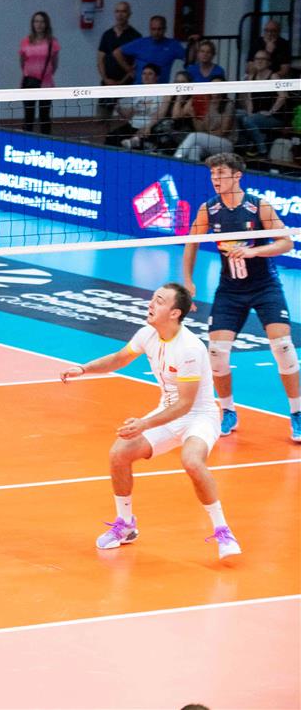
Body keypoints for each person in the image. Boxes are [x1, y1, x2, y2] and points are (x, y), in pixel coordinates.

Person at [60, 283, 243, 560]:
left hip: (199, 417)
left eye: (159, 300)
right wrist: (84, 368)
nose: (151, 303)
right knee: (119, 454)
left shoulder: (189, 349)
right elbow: (119, 359)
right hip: (168, 412)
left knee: (192, 461)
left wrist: (145, 424)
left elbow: (185, 404)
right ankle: (125, 526)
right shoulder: (147, 334)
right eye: (153, 298)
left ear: (174, 313)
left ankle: (223, 531)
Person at [182, 152, 301, 442]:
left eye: (221, 174)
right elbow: (190, 242)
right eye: (212, 174)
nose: (215, 179)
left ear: (237, 176)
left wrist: (253, 251)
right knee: (217, 353)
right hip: (230, 289)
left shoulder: (259, 206)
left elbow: (286, 242)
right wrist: (187, 280)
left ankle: (297, 413)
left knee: (283, 347)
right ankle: (228, 410)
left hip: (265, 286)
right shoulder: (208, 209)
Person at [108, 64, 171, 149]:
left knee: (138, 142)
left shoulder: (164, 93)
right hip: (133, 126)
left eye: (150, 74)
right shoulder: (139, 92)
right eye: (144, 73)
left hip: (150, 126)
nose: (146, 76)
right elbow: (128, 115)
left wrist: (149, 126)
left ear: (157, 77)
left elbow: (161, 113)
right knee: (111, 137)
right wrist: (118, 107)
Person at [96, 1, 142, 119]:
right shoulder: (107, 35)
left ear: (129, 14)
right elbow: (100, 60)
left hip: (126, 86)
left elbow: (136, 64)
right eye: (117, 11)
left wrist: (121, 82)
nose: (120, 15)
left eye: (123, 11)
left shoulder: (135, 36)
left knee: (126, 120)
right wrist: (106, 79)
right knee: (102, 119)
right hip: (107, 86)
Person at [174, 75, 235, 162]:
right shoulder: (207, 103)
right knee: (195, 149)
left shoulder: (228, 104)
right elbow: (201, 129)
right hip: (210, 141)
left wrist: (206, 135)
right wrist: (194, 116)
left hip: (226, 143)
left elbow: (223, 131)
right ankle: (194, 169)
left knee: (194, 136)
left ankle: (175, 160)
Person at [114, 15, 188, 84]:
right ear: (150, 29)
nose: (156, 32)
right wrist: (129, 70)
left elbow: (188, 59)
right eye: (153, 29)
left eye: (159, 29)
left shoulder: (173, 45)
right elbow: (117, 52)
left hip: (161, 89)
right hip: (140, 88)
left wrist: (193, 44)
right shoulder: (141, 43)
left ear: (165, 29)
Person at [239, 51, 287, 155]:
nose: (259, 61)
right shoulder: (251, 77)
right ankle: (243, 147)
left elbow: (283, 96)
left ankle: (262, 149)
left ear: (269, 62)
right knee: (237, 115)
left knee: (248, 120)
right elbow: (249, 99)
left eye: (263, 59)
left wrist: (271, 111)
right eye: (257, 59)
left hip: (274, 117)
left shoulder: (273, 76)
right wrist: (250, 113)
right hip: (257, 114)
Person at [19, 11, 59, 135]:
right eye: (36, 21)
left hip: (46, 84)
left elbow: (54, 64)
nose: (39, 24)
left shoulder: (52, 43)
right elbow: (22, 62)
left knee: (44, 116)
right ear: (33, 24)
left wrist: (45, 75)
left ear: (46, 24)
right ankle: (27, 140)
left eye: (42, 22)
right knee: (28, 115)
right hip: (29, 83)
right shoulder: (25, 42)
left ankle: (46, 141)